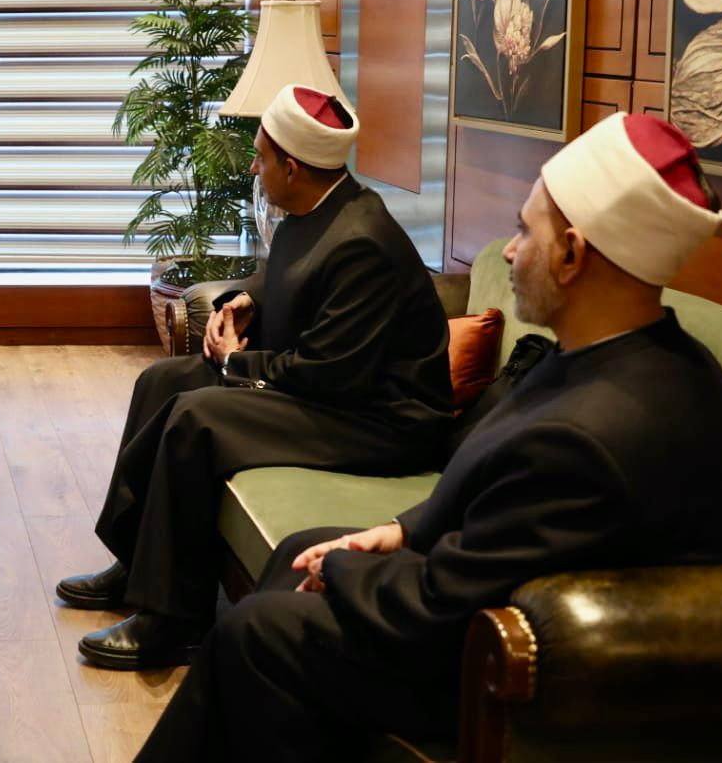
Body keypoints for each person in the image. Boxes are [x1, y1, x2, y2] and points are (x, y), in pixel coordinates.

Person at [135, 111, 722, 761]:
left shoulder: (588, 436)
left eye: (525, 231)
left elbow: (445, 605)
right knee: (298, 550)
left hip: (519, 676)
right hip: (494, 598)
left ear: (572, 254)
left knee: (258, 632)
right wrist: (399, 532)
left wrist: (342, 569)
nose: (508, 251)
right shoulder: (643, 354)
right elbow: (497, 510)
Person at [56, 84, 454, 669]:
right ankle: (137, 563)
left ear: (292, 168)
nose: (252, 167)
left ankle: (176, 620)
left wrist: (233, 362)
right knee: (162, 382)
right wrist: (246, 299)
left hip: (382, 421)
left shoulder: (363, 241)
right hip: (340, 395)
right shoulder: (320, 205)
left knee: (199, 416)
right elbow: (294, 273)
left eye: (261, 157)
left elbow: (326, 373)